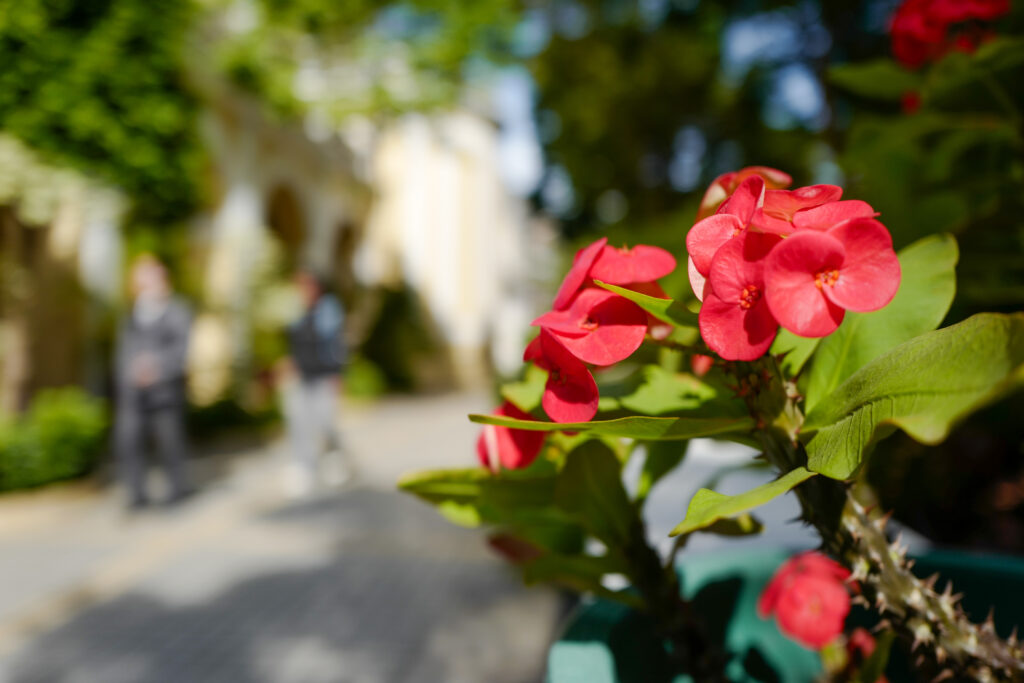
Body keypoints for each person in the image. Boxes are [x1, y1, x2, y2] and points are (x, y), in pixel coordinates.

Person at [114, 255, 193, 509]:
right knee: (129, 440)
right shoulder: (132, 312)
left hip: (165, 389)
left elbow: (181, 349)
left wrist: (156, 367)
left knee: (170, 440)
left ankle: (175, 490)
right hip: (134, 391)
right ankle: (136, 494)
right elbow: (123, 351)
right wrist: (130, 373)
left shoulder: (176, 310)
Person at [282, 270, 351, 496]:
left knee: (326, 422)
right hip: (303, 377)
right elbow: (294, 344)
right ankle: (304, 467)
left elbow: (337, 345)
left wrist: (338, 373)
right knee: (300, 424)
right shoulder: (296, 312)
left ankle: (335, 460)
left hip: (324, 376)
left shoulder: (329, 311)